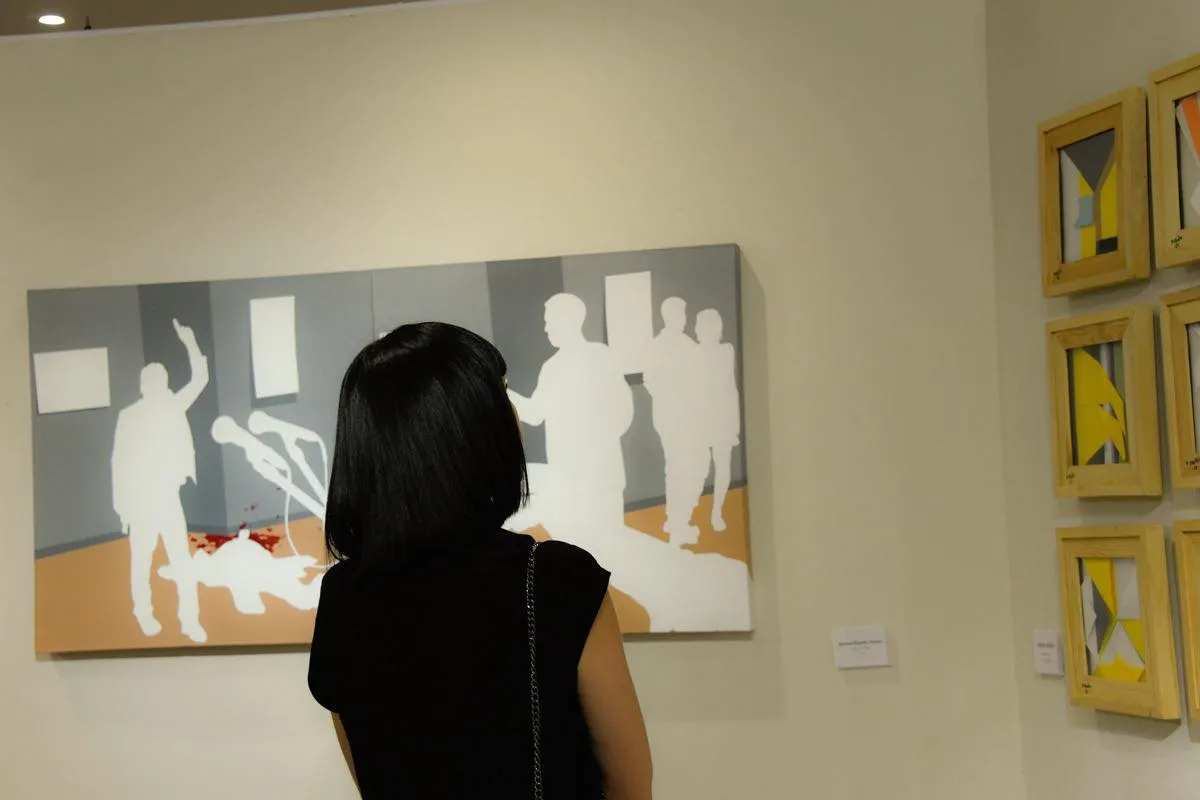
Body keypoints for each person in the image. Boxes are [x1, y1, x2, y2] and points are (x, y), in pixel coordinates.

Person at [308, 322, 653, 800]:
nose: (513, 412)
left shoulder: (343, 597)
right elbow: (630, 786)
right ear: (467, 426)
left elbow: (374, 779)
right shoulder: (555, 580)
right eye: (502, 392)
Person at [111, 318, 209, 644]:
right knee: (142, 561)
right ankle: (144, 614)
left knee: (179, 559)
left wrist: (190, 341)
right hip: (142, 501)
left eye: (160, 381)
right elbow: (119, 463)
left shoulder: (171, 405)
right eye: (153, 382)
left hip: (167, 497)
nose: (157, 386)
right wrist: (123, 507)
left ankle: (189, 620)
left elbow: (200, 379)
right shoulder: (130, 416)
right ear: (144, 386)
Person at [508, 293, 635, 534]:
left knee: (608, 541)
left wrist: (596, 441)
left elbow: (623, 408)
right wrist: (502, 391)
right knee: (586, 543)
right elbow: (535, 413)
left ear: (570, 320)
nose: (546, 328)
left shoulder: (599, 357)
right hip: (573, 478)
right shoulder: (553, 367)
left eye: (550, 321)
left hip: (599, 475)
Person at [643, 297, 706, 546]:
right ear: (671, 316)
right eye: (680, 313)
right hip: (679, 417)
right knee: (685, 468)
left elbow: (649, 381)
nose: (683, 318)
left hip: (667, 415)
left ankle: (675, 519)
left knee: (677, 467)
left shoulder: (659, 345)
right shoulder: (685, 347)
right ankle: (679, 524)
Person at [693, 309, 741, 532]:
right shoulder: (694, 354)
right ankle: (698, 511)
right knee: (700, 467)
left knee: (722, 467)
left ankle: (716, 512)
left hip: (721, 417)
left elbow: (731, 387)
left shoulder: (726, 351)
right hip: (703, 417)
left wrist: (734, 423)